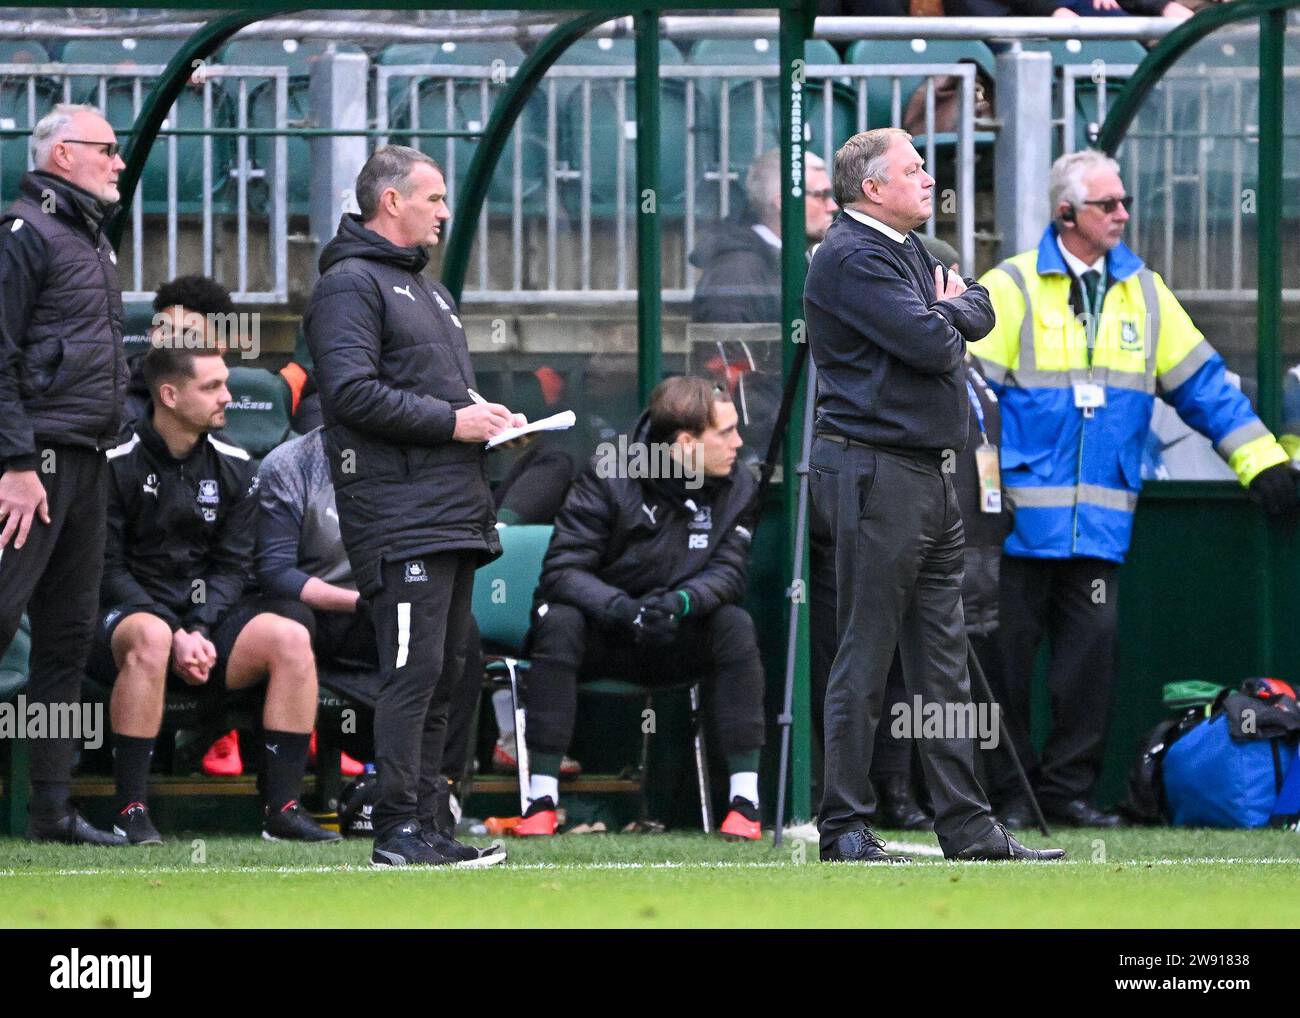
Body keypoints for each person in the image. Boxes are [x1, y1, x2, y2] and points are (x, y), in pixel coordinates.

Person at [971, 149, 1299, 828]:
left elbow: (1206, 389)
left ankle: (1064, 795)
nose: (1123, 214)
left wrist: (1262, 461)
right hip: (1012, 526)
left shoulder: (1147, 294)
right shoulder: (1010, 287)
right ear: (1067, 213)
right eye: (1107, 204)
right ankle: (1010, 796)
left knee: (1087, 671)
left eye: (1123, 202)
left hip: (1097, 528)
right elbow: (967, 401)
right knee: (1000, 674)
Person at [804, 127, 1064, 862]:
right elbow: (934, 343)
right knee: (867, 651)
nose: (928, 179)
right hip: (874, 471)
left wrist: (945, 312)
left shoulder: (913, 249)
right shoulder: (850, 256)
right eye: (913, 169)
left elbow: (978, 313)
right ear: (871, 189)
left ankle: (968, 825)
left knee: (941, 659)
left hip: (929, 472)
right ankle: (845, 826)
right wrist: (944, 315)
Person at [304, 144, 518, 868]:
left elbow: (431, 397)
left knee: (451, 670)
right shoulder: (350, 284)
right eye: (432, 198)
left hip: (453, 506)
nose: (444, 213)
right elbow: (352, 393)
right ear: (390, 201)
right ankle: (395, 831)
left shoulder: (428, 290)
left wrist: (482, 416)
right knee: (412, 670)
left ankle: (428, 826)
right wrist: (451, 422)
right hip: (398, 514)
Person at [92, 342, 339, 845]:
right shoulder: (114, 464)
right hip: (125, 619)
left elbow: (233, 566)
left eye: (224, 383)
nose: (228, 397)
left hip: (204, 625)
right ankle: (131, 810)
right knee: (153, 638)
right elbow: (107, 569)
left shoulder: (235, 464)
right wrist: (174, 628)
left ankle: (283, 810)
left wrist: (200, 626)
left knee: (290, 637)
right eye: (212, 387)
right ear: (169, 395)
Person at [515, 376, 767, 840]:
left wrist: (680, 602)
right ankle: (541, 801)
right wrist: (621, 609)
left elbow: (729, 575)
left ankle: (744, 802)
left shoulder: (740, 486)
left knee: (734, 623)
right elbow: (563, 571)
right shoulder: (610, 473)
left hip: (676, 632)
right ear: (687, 443)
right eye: (726, 432)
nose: (739, 442)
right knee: (560, 619)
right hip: (605, 632)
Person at [253, 423, 484, 835]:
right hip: (322, 613)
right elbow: (275, 572)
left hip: (385, 606)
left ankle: (438, 789)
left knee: (460, 630)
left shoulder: (410, 460)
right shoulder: (289, 463)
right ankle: (282, 807)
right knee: (292, 622)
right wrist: (359, 601)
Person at [0, 104, 128, 844]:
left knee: (67, 637)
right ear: (61, 156)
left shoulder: (90, 239)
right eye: (106, 150)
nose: (118, 162)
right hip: (32, 463)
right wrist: (15, 463)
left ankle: (51, 809)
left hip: (87, 458)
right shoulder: (23, 234)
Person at [689, 149, 837, 325]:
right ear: (783, 201)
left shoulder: (788, 259)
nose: (832, 206)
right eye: (821, 195)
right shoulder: (737, 272)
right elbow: (725, 347)